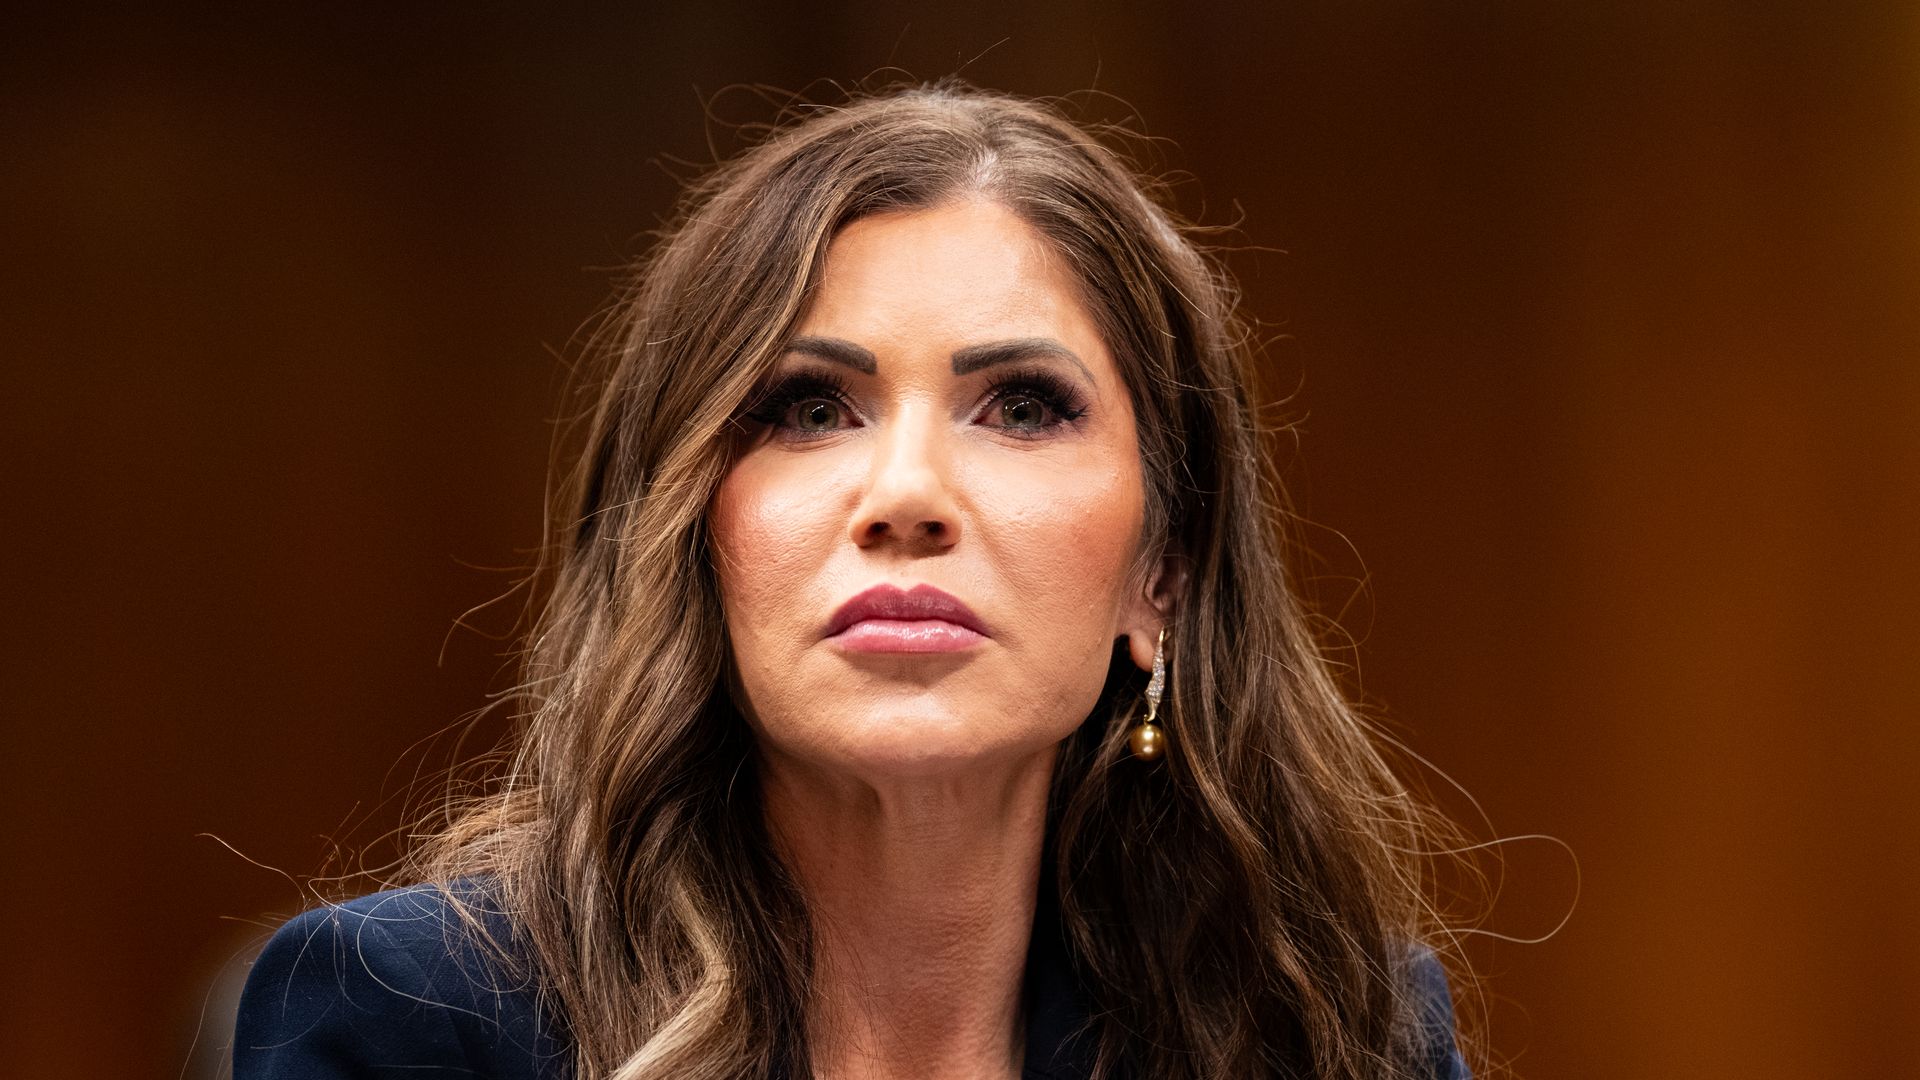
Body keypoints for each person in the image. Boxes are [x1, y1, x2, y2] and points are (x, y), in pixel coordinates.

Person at [231, 80, 1473, 1080]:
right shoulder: (410, 1019)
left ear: (1164, 572)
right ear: (691, 536)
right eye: (811, 408)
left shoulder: (1331, 1032)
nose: (908, 494)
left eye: (1024, 408)